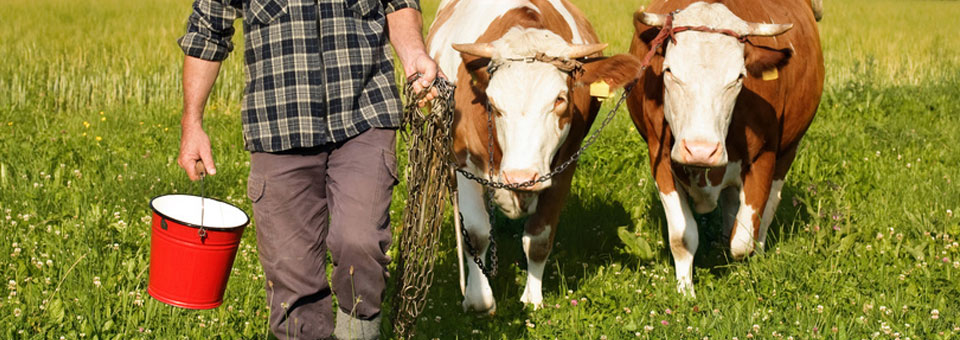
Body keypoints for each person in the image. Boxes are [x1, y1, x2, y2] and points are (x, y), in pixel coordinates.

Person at [175, 0, 440, 338]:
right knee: (291, 271)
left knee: (360, 242)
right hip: (278, 127)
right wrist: (192, 124)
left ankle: (357, 332)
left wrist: (414, 55)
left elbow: (398, 4)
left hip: (365, 114)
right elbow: (207, 30)